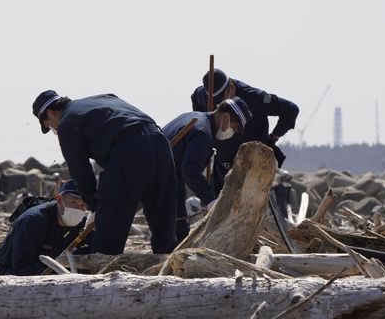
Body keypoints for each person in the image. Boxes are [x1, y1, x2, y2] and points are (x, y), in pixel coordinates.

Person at [32, 90, 177, 255]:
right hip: (160, 142)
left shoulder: (67, 122)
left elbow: (80, 170)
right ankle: (169, 264)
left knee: (109, 229)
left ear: (51, 113)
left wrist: (96, 206)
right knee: (162, 214)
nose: (54, 130)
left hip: (129, 149)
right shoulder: (104, 98)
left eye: (50, 126)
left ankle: (102, 275)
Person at [191, 69, 299, 194]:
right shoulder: (203, 96)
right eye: (216, 104)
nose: (219, 107)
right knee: (218, 207)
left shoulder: (253, 98)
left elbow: (291, 109)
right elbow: (197, 109)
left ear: (231, 88)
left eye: (222, 101)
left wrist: (273, 138)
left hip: (253, 166)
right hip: (223, 165)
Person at [162, 97, 252, 241]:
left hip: (159, 171)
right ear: (226, 117)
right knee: (176, 232)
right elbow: (190, 170)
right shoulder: (203, 132)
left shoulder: (193, 117)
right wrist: (211, 201)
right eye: (234, 128)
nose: (232, 133)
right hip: (163, 177)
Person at [0, 180, 92, 275]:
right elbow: (22, 262)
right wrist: (57, 277)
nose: (78, 208)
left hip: (53, 266)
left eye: (83, 205)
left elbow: (96, 242)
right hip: (15, 272)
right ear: (59, 200)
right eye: (73, 202)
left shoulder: (80, 221)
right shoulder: (34, 221)